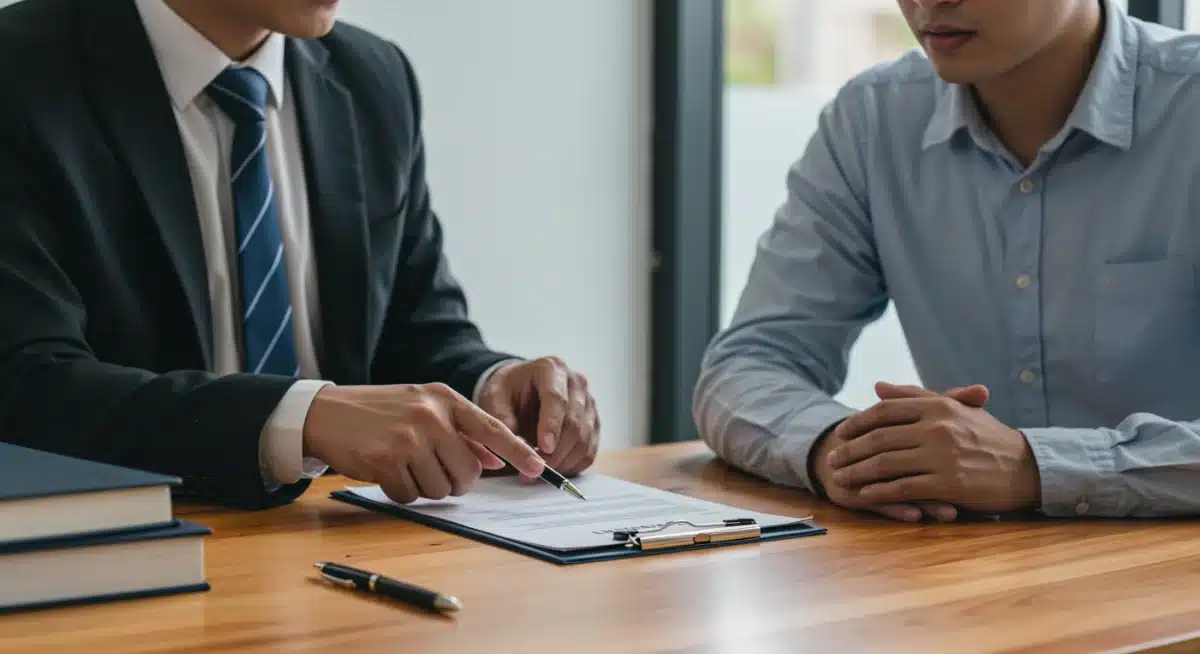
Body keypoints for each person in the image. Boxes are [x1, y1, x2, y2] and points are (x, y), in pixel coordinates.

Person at [0, 0, 601, 510]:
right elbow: (26, 385)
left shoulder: (373, 78)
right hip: (130, 554)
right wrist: (300, 420)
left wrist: (494, 390)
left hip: (344, 551)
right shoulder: (21, 72)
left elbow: (415, 333)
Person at [695, 0, 1200, 522]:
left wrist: (1033, 467)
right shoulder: (874, 119)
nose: (928, 2)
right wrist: (850, 454)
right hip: (970, 561)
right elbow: (748, 366)